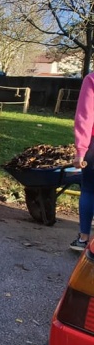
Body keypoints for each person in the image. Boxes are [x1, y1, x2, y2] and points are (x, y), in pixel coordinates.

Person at [71, 72, 94, 251]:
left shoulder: (92, 79)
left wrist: (81, 150)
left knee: (89, 190)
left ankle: (83, 238)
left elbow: (85, 117)